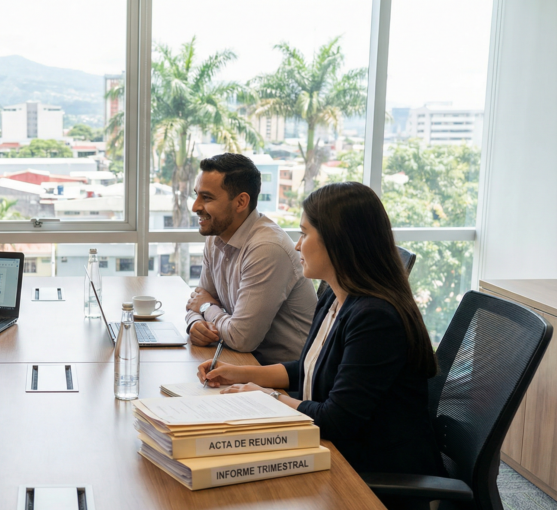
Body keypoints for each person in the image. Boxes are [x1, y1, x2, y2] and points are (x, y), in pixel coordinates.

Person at [199, 182, 444, 476]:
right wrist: (241, 373)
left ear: (338, 241)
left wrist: (269, 397)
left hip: (380, 476)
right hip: (337, 450)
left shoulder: (375, 319)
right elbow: (308, 367)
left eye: (304, 234)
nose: (297, 245)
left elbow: (336, 421)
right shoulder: (334, 296)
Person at [185, 154, 316, 365]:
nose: (195, 206)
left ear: (241, 202)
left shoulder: (266, 248)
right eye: (196, 195)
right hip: (242, 364)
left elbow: (241, 338)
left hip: (288, 379)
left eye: (207, 198)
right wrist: (195, 324)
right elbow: (198, 300)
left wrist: (206, 309)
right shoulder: (216, 237)